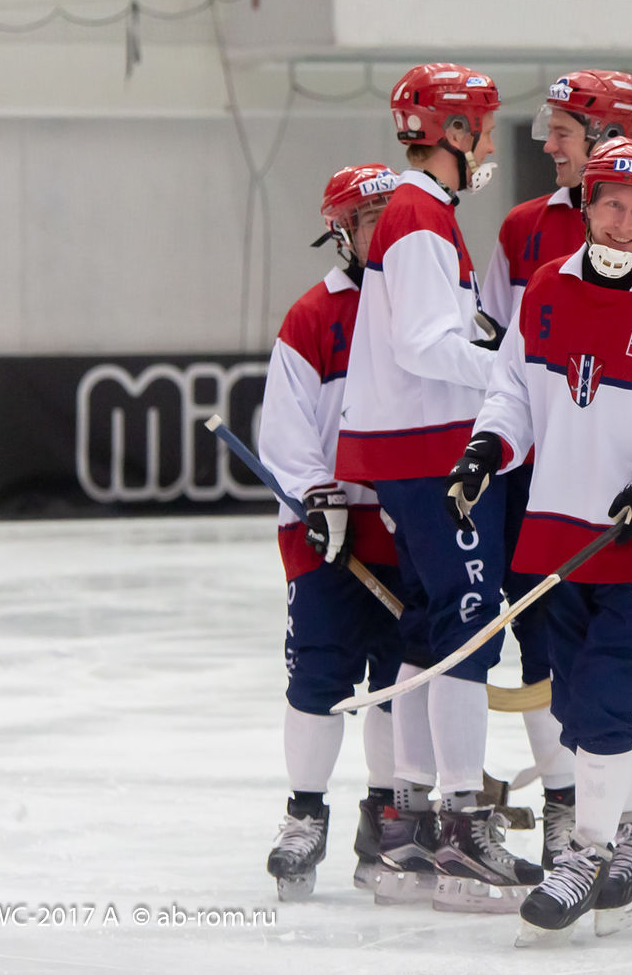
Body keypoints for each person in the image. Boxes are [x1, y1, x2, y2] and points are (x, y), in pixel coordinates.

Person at [446, 139, 632, 944]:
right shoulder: (546, 289)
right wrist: (486, 448)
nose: (623, 222)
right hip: (561, 534)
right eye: (612, 203)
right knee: (577, 705)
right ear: (588, 206)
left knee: (610, 699)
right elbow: (513, 389)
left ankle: (587, 851)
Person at [477, 70, 632, 900]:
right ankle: (605, 815)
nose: (547, 142)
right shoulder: (530, 245)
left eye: (564, 129)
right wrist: (490, 441)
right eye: (610, 204)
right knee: (567, 672)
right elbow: (511, 364)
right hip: (553, 491)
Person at [335, 63, 540, 911]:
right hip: (430, 451)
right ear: (452, 131)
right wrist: (515, 368)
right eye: (482, 128)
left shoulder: (420, 214)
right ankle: (461, 823)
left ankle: (411, 817)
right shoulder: (419, 215)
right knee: (467, 625)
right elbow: (423, 344)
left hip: (407, 450)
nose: (489, 144)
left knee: (429, 626)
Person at [258, 163, 404, 901]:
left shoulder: (430, 306)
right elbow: (285, 426)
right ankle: (305, 813)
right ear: (342, 232)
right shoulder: (314, 316)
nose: (386, 231)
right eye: (372, 218)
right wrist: (320, 497)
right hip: (330, 532)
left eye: (393, 216)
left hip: (409, 528)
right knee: (319, 674)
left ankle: (387, 816)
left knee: (402, 683)